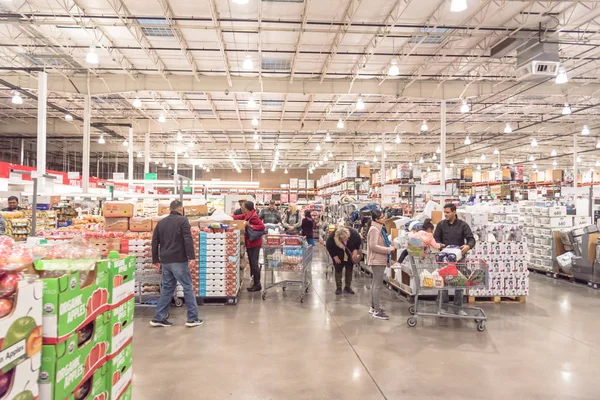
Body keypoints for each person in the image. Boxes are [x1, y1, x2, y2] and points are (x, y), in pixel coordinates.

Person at [150, 200, 203, 328]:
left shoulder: (161, 223)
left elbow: (154, 241)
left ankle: (159, 318)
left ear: (170, 209)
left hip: (165, 260)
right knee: (187, 287)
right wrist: (192, 257)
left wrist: (155, 260)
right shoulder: (183, 220)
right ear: (181, 209)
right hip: (179, 259)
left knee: (167, 288)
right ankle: (192, 318)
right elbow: (187, 238)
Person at [433, 203, 476, 310]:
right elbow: (436, 239)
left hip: (459, 258)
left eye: (447, 212)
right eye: (444, 212)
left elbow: (471, 239)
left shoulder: (463, 225)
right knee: (442, 281)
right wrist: (440, 245)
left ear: (454, 212)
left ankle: (458, 307)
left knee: (460, 282)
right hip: (444, 258)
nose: (445, 214)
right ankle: (443, 305)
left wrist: (468, 246)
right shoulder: (441, 225)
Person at [367, 209, 395, 320]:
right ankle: (376, 310)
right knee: (377, 286)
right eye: (382, 217)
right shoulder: (374, 229)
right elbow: (373, 246)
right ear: (376, 219)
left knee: (375, 285)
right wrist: (388, 249)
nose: (384, 219)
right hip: (377, 260)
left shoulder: (378, 228)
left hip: (379, 260)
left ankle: (373, 307)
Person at [233, 201, 266, 292]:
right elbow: (238, 217)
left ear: (247, 207)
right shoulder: (248, 214)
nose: (241, 207)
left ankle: (257, 284)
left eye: (242, 206)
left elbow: (262, 227)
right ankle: (255, 282)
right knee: (252, 263)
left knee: (254, 264)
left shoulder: (254, 216)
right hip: (251, 243)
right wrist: (228, 217)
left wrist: (250, 225)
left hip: (255, 243)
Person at [326, 226, 362, 295]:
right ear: (339, 237)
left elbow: (358, 242)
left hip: (349, 252)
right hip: (338, 253)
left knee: (349, 268)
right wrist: (334, 256)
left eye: (347, 237)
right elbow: (328, 246)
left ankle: (347, 287)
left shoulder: (354, 234)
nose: (347, 239)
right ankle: (338, 288)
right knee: (338, 268)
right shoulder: (332, 237)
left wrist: (355, 250)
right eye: (344, 238)